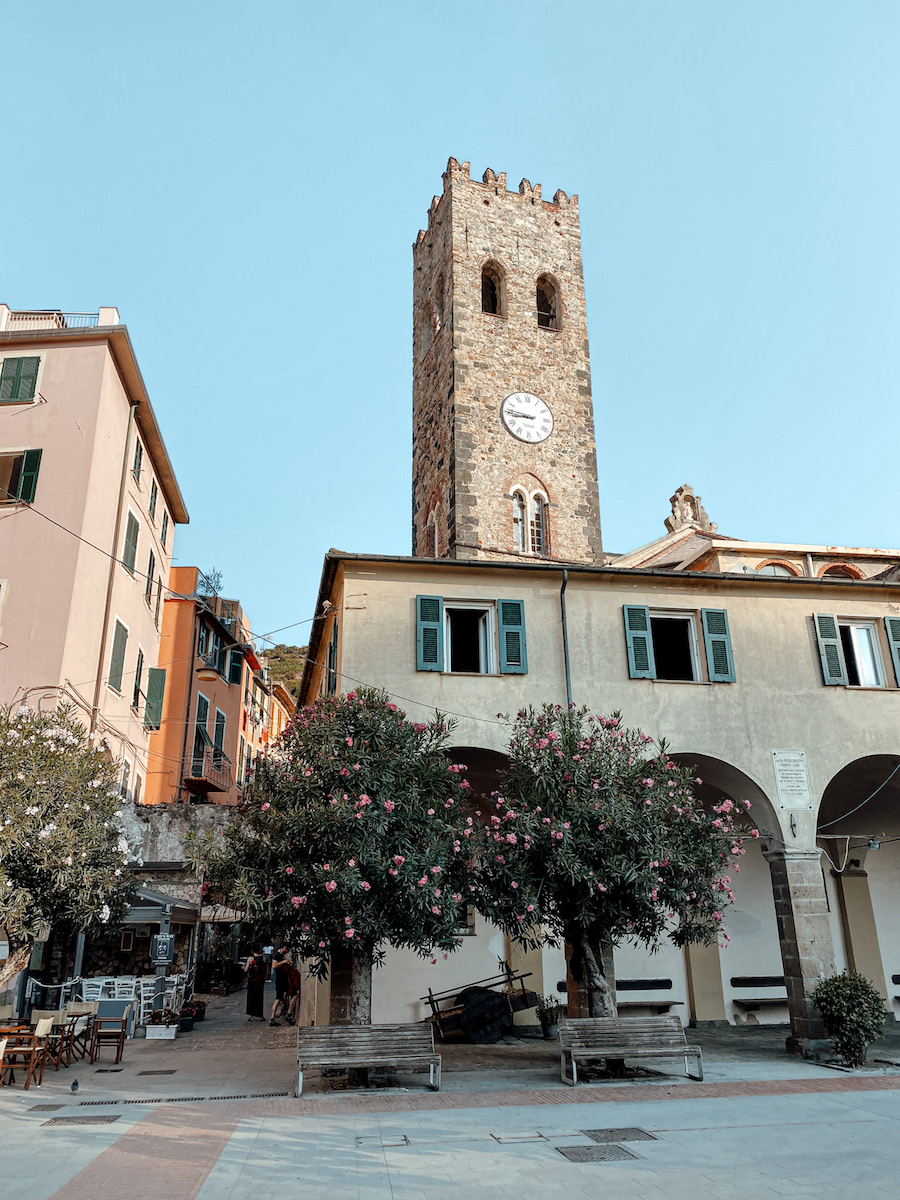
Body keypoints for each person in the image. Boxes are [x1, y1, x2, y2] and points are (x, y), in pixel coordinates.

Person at [269, 947, 292, 1026]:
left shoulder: (282, 955)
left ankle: (286, 1014)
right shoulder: (277, 955)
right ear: (283, 947)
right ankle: (272, 1017)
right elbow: (274, 966)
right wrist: (283, 962)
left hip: (284, 980)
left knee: (285, 997)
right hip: (280, 980)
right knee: (278, 998)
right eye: (286, 948)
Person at [243, 949, 267, 1021]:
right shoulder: (263, 958)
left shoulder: (250, 959)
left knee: (251, 998)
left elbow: (246, 969)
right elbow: (265, 968)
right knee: (259, 997)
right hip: (260, 981)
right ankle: (260, 1015)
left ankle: (252, 1015)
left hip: (252, 980)